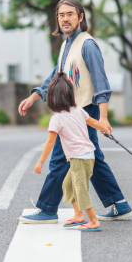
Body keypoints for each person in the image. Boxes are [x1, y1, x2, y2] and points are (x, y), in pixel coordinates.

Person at [18, 0, 132, 224]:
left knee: (61, 158)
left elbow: (101, 83)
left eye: (70, 14)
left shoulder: (87, 45)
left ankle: (48, 208)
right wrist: (34, 95)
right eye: (61, 15)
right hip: (73, 112)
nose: (65, 19)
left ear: (80, 17)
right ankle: (118, 203)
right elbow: (55, 76)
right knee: (92, 156)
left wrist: (104, 118)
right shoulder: (66, 45)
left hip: (83, 111)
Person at [34, 72, 109, 231]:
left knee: (80, 189)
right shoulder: (78, 110)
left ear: (52, 98)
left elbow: (50, 143)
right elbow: (93, 122)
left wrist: (40, 162)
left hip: (79, 159)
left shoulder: (57, 118)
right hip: (87, 156)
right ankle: (78, 215)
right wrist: (104, 128)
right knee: (68, 185)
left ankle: (93, 220)